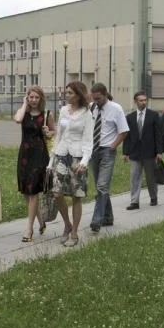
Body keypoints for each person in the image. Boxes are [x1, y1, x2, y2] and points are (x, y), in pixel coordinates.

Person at [47, 81, 93, 246]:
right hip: (60, 154)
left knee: (76, 195)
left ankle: (74, 233)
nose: (67, 95)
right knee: (57, 193)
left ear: (78, 95)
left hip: (77, 158)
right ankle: (67, 225)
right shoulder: (63, 110)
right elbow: (58, 135)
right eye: (66, 93)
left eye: (70, 93)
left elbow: (88, 140)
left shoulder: (87, 114)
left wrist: (85, 161)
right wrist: (51, 161)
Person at [14, 85, 55, 242]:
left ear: (41, 99)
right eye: (31, 97)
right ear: (27, 97)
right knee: (26, 191)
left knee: (32, 192)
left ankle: (29, 230)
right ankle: (40, 221)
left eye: (36, 97)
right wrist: (24, 104)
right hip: (24, 155)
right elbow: (17, 119)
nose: (33, 100)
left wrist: (48, 132)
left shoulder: (47, 114)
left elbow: (53, 132)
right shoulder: (23, 114)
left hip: (39, 155)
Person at [89, 83, 128, 233]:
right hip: (93, 151)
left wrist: (113, 146)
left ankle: (96, 220)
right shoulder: (92, 107)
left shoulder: (116, 109)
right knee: (101, 187)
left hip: (107, 151)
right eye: (94, 98)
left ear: (105, 95)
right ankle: (108, 217)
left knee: (102, 186)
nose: (96, 101)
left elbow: (123, 131)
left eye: (98, 98)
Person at [123, 91, 162, 209]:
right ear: (135, 101)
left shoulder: (153, 115)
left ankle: (153, 197)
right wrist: (125, 152)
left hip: (150, 152)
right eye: (141, 100)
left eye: (145, 100)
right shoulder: (129, 117)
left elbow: (158, 134)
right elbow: (127, 136)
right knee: (134, 177)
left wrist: (159, 151)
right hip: (135, 152)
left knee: (150, 177)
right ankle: (134, 201)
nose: (144, 102)